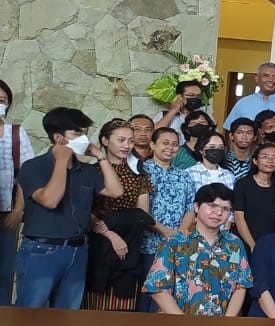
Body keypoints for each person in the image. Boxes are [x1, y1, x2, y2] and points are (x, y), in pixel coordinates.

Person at [16, 107, 124, 309]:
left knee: (69, 314)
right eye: (77, 133)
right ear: (58, 138)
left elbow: (116, 191)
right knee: (30, 312)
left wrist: (100, 156)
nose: (84, 139)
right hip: (42, 251)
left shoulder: (86, 170)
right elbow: (50, 200)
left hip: (77, 250)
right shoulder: (33, 167)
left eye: (85, 133)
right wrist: (61, 160)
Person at [143, 183, 252, 316]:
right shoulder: (174, 242)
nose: (219, 213)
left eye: (225, 209)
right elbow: (158, 289)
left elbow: (241, 285)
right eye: (212, 206)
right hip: (178, 323)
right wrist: (185, 324)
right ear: (196, 206)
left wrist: (227, 321)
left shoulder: (235, 244)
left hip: (221, 324)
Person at [81, 119, 154, 312]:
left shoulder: (139, 174)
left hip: (130, 241)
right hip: (98, 240)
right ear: (105, 141)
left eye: (130, 141)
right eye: (121, 140)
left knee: (123, 304)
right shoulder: (90, 172)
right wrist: (109, 234)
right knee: (94, 303)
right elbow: (84, 210)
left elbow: (142, 214)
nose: (126, 146)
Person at [139, 128, 195, 312]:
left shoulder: (183, 175)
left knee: (171, 296)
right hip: (149, 244)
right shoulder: (142, 172)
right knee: (149, 295)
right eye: (165, 143)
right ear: (153, 145)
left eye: (174, 144)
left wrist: (179, 234)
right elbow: (141, 211)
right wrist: (167, 233)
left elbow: (190, 208)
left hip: (177, 244)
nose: (170, 148)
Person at [223, 62, 275, 141]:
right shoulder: (242, 104)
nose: (271, 80)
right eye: (266, 76)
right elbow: (229, 131)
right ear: (257, 79)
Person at [233, 143, 275, 251]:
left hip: (270, 243)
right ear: (255, 160)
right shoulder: (243, 184)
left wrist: (274, 241)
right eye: (265, 157)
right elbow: (239, 218)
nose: (270, 161)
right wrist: (253, 246)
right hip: (245, 242)